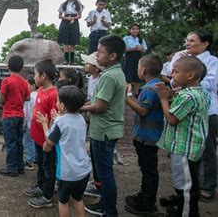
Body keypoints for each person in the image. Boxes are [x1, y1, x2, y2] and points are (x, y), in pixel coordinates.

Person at [169, 30, 218, 201]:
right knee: (189, 151)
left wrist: (185, 81)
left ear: (205, 43)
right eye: (187, 40)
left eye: (192, 40)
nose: (188, 43)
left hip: (207, 112)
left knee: (207, 150)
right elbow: (172, 79)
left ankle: (208, 187)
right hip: (187, 110)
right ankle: (191, 187)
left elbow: (210, 84)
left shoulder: (212, 61)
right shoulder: (183, 59)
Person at [156, 56, 209, 216]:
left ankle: (187, 213)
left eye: (176, 71)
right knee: (187, 180)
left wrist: (164, 99)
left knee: (186, 186)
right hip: (189, 146)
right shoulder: (198, 92)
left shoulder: (188, 96)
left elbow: (172, 119)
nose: (172, 74)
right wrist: (172, 97)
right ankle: (181, 207)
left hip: (184, 148)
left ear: (190, 75)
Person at [80, 35, 126, 217]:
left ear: (113, 55)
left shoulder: (108, 77)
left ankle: (109, 211)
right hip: (105, 129)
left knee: (105, 174)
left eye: (100, 52)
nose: (97, 56)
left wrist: (77, 108)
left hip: (105, 130)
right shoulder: (114, 73)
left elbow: (100, 106)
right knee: (102, 171)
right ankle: (105, 204)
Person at [36, 86, 91, 217]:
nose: (56, 103)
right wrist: (59, 117)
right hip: (84, 170)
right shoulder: (81, 119)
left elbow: (49, 141)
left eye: (58, 101)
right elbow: (68, 130)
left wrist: (44, 123)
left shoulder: (60, 122)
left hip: (67, 172)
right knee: (78, 199)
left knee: (63, 201)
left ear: (62, 106)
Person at [124, 55, 164, 215]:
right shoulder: (155, 86)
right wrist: (130, 94)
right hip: (150, 137)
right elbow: (141, 105)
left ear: (143, 70)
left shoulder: (148, 89)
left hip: (147, 138)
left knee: (149, 170)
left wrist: (126, 98)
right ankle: (144, 195)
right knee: (147, 169)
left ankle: (148, 202)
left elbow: (142, 110)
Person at [24, 59, 58, 209]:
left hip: (46, 140)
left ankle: (47, 195)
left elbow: (54, 120)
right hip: (38, 138)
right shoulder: (40, 90)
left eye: (36, 74)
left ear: (43, 76)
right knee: (41, 164)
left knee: (48, 166)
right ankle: (40, 186)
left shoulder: (53, 94)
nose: (34, 77)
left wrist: (49, 141)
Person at [0, 55, 30, 177]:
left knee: (10, 142)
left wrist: (3, 98)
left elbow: (2, 99)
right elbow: (27, 97)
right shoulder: (23, 81)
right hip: (20, 115)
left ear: (8, 66)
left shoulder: (6, 81)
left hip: (9, 114)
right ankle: (20, 165)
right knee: (18, 141)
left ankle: (11, 167)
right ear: (21, 68)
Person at [80, 52, 103, 198]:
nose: (86, 65)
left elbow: (97, 102)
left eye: (88, 63)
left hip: (96, 117)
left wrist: (80, 107)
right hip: (91, 117)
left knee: (97, 154)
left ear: (96, 67)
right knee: (93, 151)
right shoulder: (91, 78)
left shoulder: (101, 80)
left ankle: (99, 185)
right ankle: (96, 181)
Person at [57, 0, 84, 65]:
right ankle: (66, 60)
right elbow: (59, 16)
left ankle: (72, 61)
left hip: (74, 22)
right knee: (65, 42)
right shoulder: (63, 4)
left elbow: (79, 16)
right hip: (65, 22)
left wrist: (73, 18)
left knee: (72, 42)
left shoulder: (77, 3)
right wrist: (67, 18)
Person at [123, 23, 147, 95]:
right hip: (129, 58)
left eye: (137, 29)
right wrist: (134, 48)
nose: (135, 30)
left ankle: (136, 94)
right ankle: (127, 93)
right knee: (128, 76)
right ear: (129, 30)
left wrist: (141, 49)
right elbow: (123, 49)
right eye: (133, 29)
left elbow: (144, 50)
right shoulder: (126, 38)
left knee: (137, 77)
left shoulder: (141, 39)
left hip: (138, 59)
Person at [23, 75, 38, 170]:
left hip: (30, 123)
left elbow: (27, 112)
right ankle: (36, 159)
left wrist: (24, 123)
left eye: (27, 84)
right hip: (38, 123)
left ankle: (30, 161)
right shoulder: (39, 94)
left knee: (28, 142)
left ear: (33, 85)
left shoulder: (30, 97)